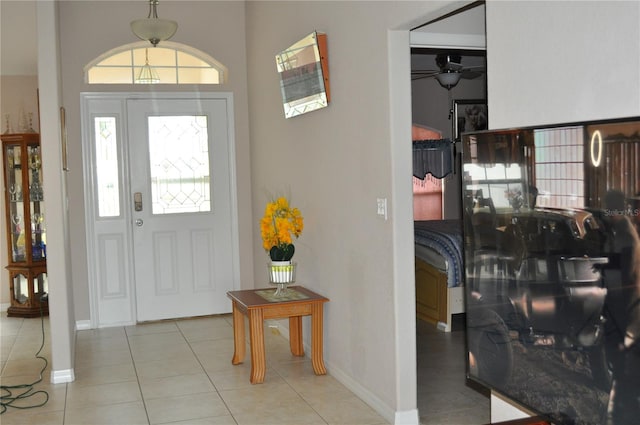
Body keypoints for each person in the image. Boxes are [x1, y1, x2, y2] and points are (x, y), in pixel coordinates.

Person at [601, 190, 640, 425]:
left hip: (626, 308)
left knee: (624, 371)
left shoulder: (625, 235)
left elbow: (624, 275)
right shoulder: (619, 231)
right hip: (622, 306)